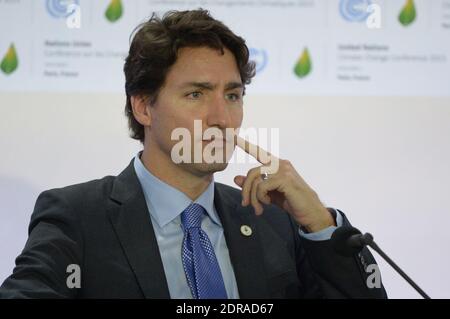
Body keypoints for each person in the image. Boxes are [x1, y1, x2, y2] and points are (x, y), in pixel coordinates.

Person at [0, 9, 386, 299]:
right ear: (143, 107)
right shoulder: (78, 217)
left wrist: (320, 224)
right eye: (196, 94)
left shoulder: (275, 221)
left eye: (232, 95)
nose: (222, 118)